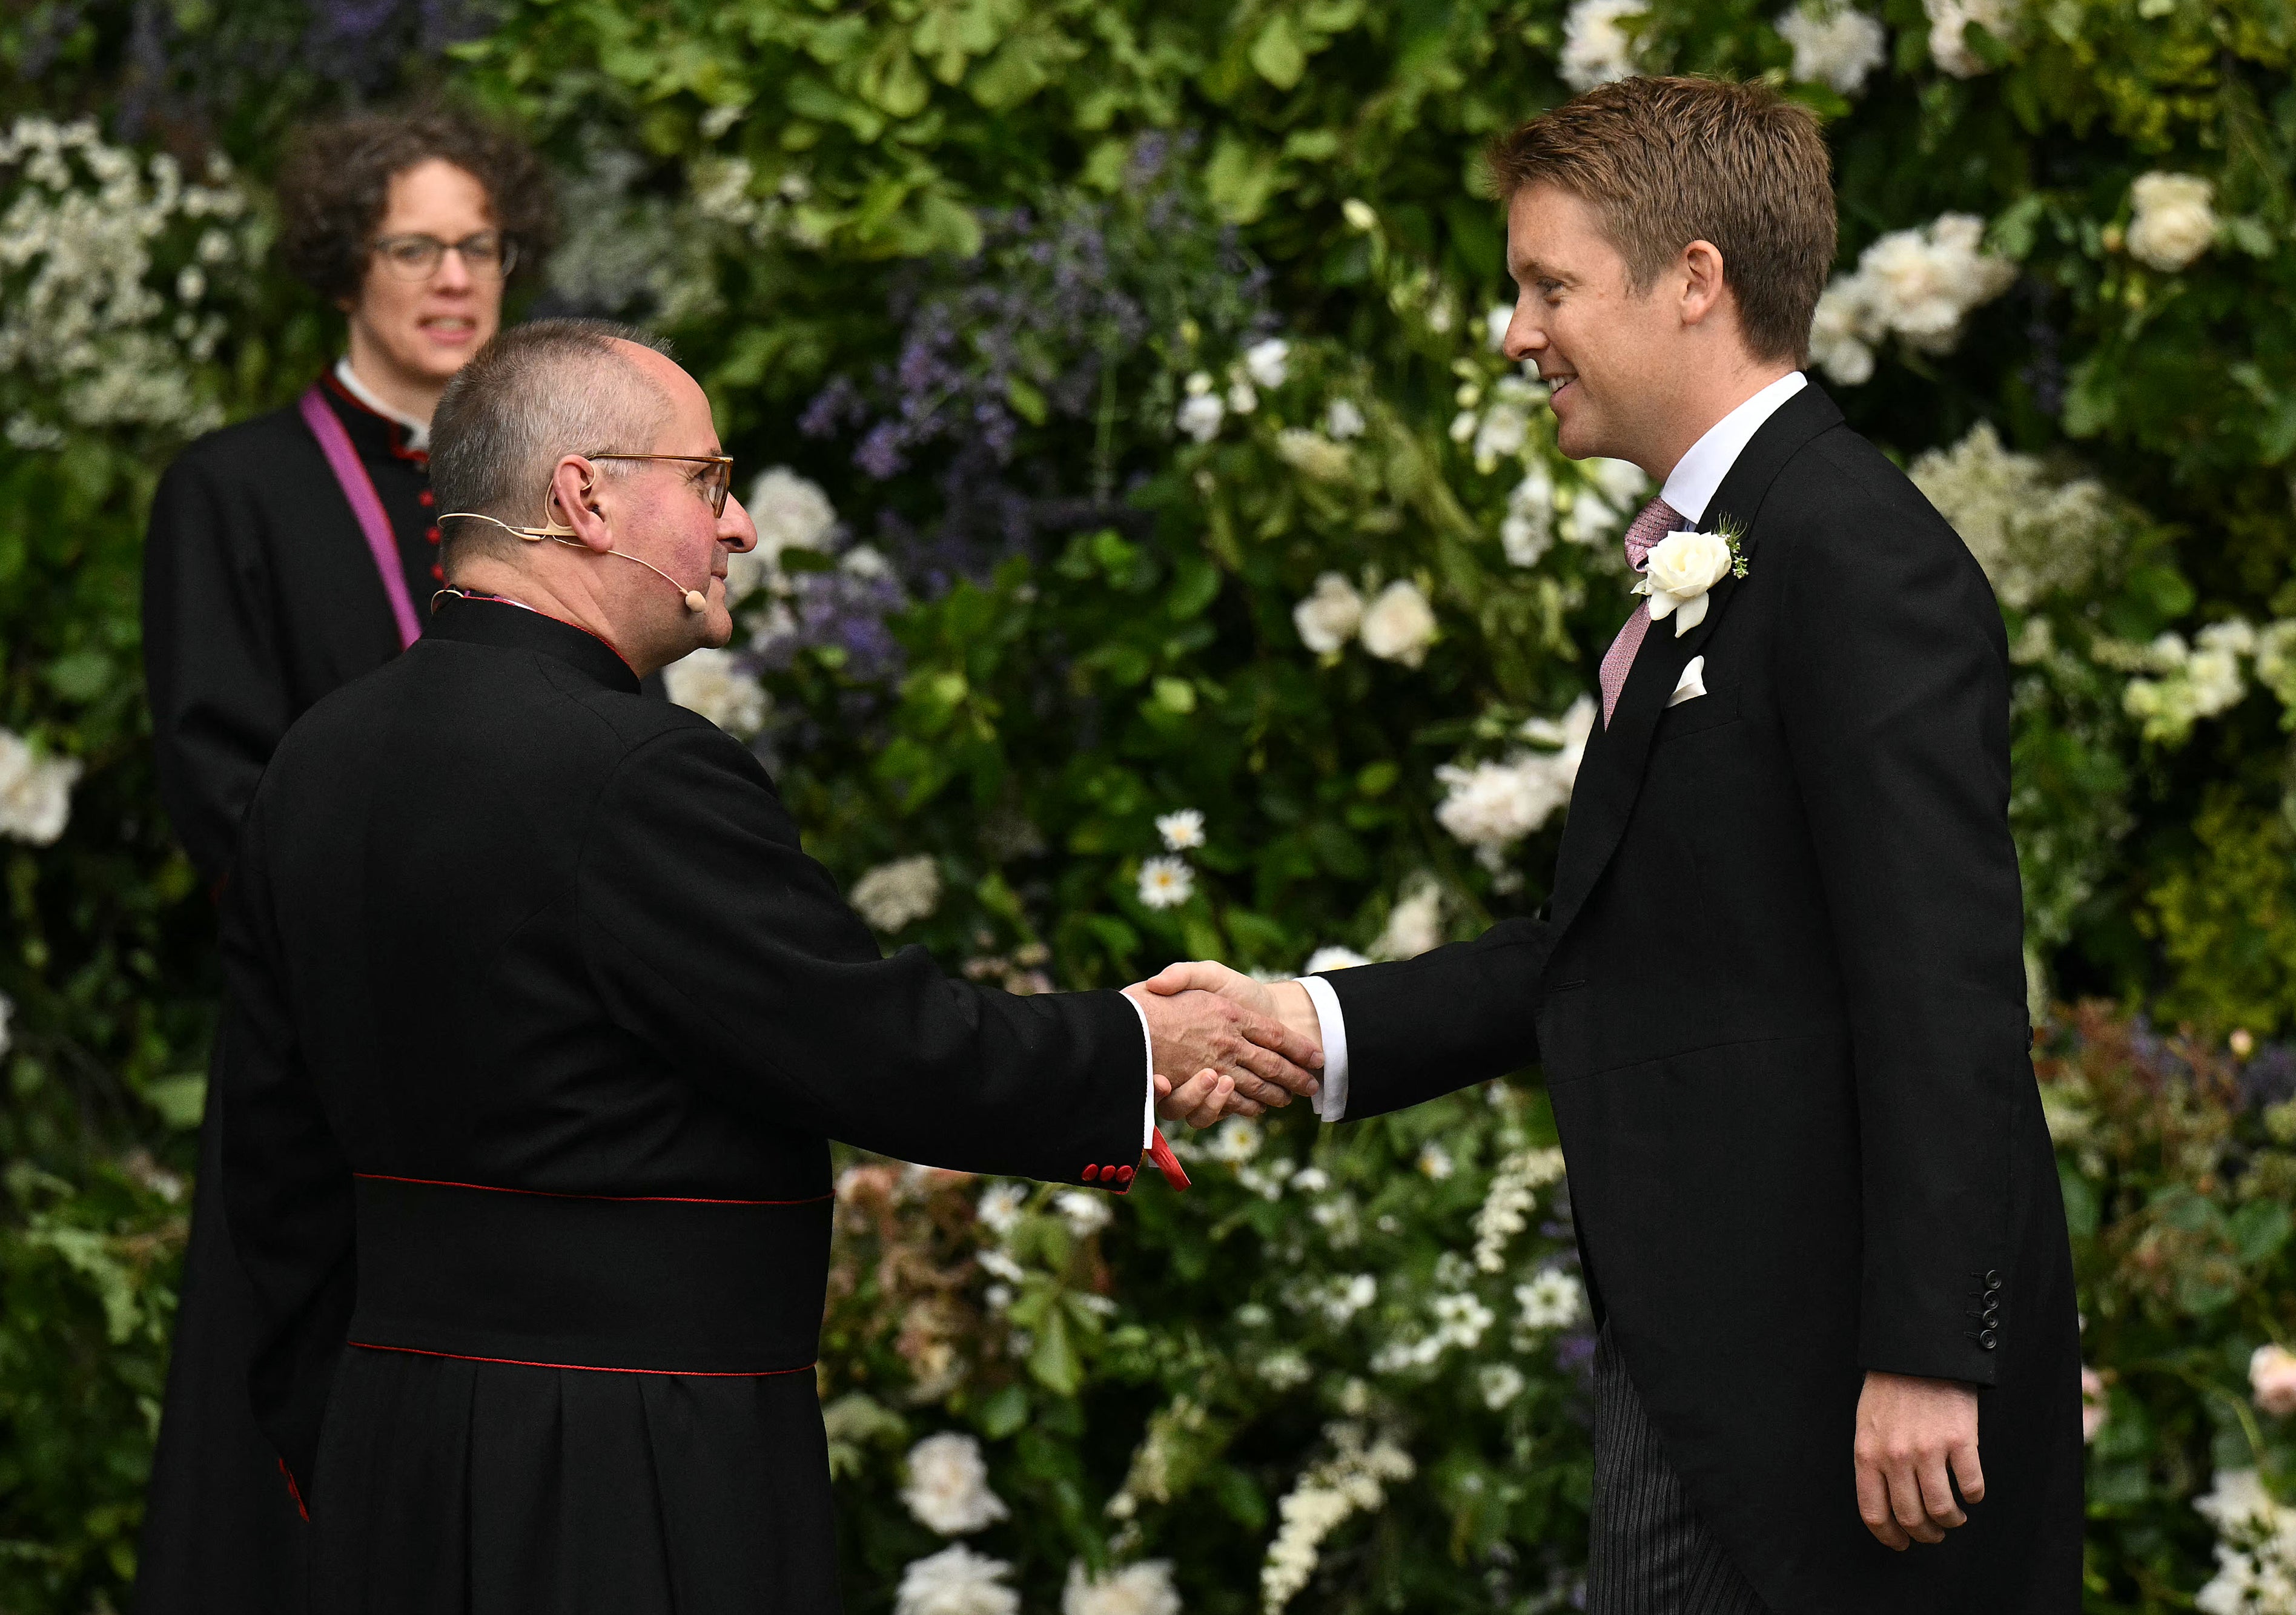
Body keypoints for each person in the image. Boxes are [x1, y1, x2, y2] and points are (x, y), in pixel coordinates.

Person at [1151, 78, 2082, 1613]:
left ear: (1694, 281)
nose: (1516, 332)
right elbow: (1619, 943)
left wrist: (1926, 1352)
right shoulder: (1725, 556)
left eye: (1547, 284)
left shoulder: (1856, 554)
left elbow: (1944, 980)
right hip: (1709, 1354)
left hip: (1848, 1393)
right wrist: (1302, 1019)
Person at [214, 319, 1314, 1613]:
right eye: (708, 482)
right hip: (631, 1461)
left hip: (388, 1447)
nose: (736, 527)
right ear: (585, 495)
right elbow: (866, 1039)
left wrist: (337, 1440)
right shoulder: (633, 768)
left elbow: (270, 1157)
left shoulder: (315, 760)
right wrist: (1141, 1047)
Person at [133, 105, 556, 1615]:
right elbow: (217, 786)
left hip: (526, 1062)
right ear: (342, 264)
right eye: (414, 247)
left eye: (480, 246)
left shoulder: (552, 497)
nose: (455, 279)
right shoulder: (232, 489)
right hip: (325, 1049)